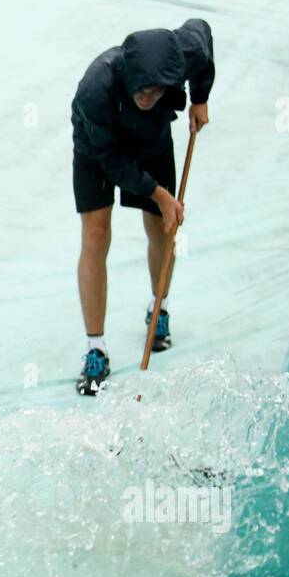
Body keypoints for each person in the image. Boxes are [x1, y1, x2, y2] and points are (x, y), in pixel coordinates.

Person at [70, 20, 214, 394]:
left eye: (157, 90)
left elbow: (202, 32)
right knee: (97, 236)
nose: (149, 97)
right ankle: (95, 348)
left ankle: (159, 308)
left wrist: (200, 96)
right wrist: (161, 195)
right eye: (143, 90)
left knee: (161, 229)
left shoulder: (183, 53)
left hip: (150, 142)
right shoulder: (95, 88)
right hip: (98, 149)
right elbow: (113, 163)